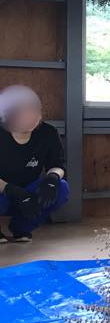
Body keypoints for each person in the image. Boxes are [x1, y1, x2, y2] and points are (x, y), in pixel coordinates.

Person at [0, 85, 70, 243]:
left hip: (29, 191)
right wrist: (12, 190)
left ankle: (21, 227)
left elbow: (58, 164)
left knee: (61, 187)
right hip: (3, 191)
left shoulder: (48, 133)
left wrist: (52, 179)